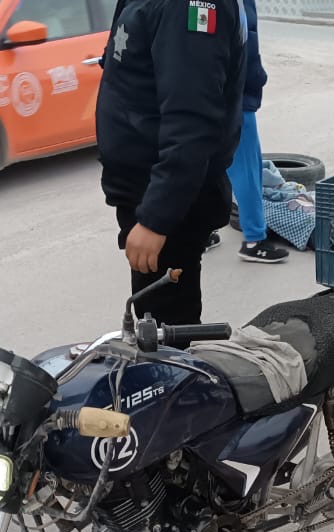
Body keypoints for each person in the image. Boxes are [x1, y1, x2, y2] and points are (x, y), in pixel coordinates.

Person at [96, 0, 246, 325]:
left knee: (167, 333)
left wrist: (156, 219)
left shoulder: (185, 7)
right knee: (155, 323)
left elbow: (191, 123)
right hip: (147, 192)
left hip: (168, 202)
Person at [228, 0, 287, 265]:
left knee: (204, 163)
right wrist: (257, 79)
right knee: (246, 168)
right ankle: (254, 240)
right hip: (234, 95)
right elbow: (244, 45)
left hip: (212, 92)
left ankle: (201, 231)